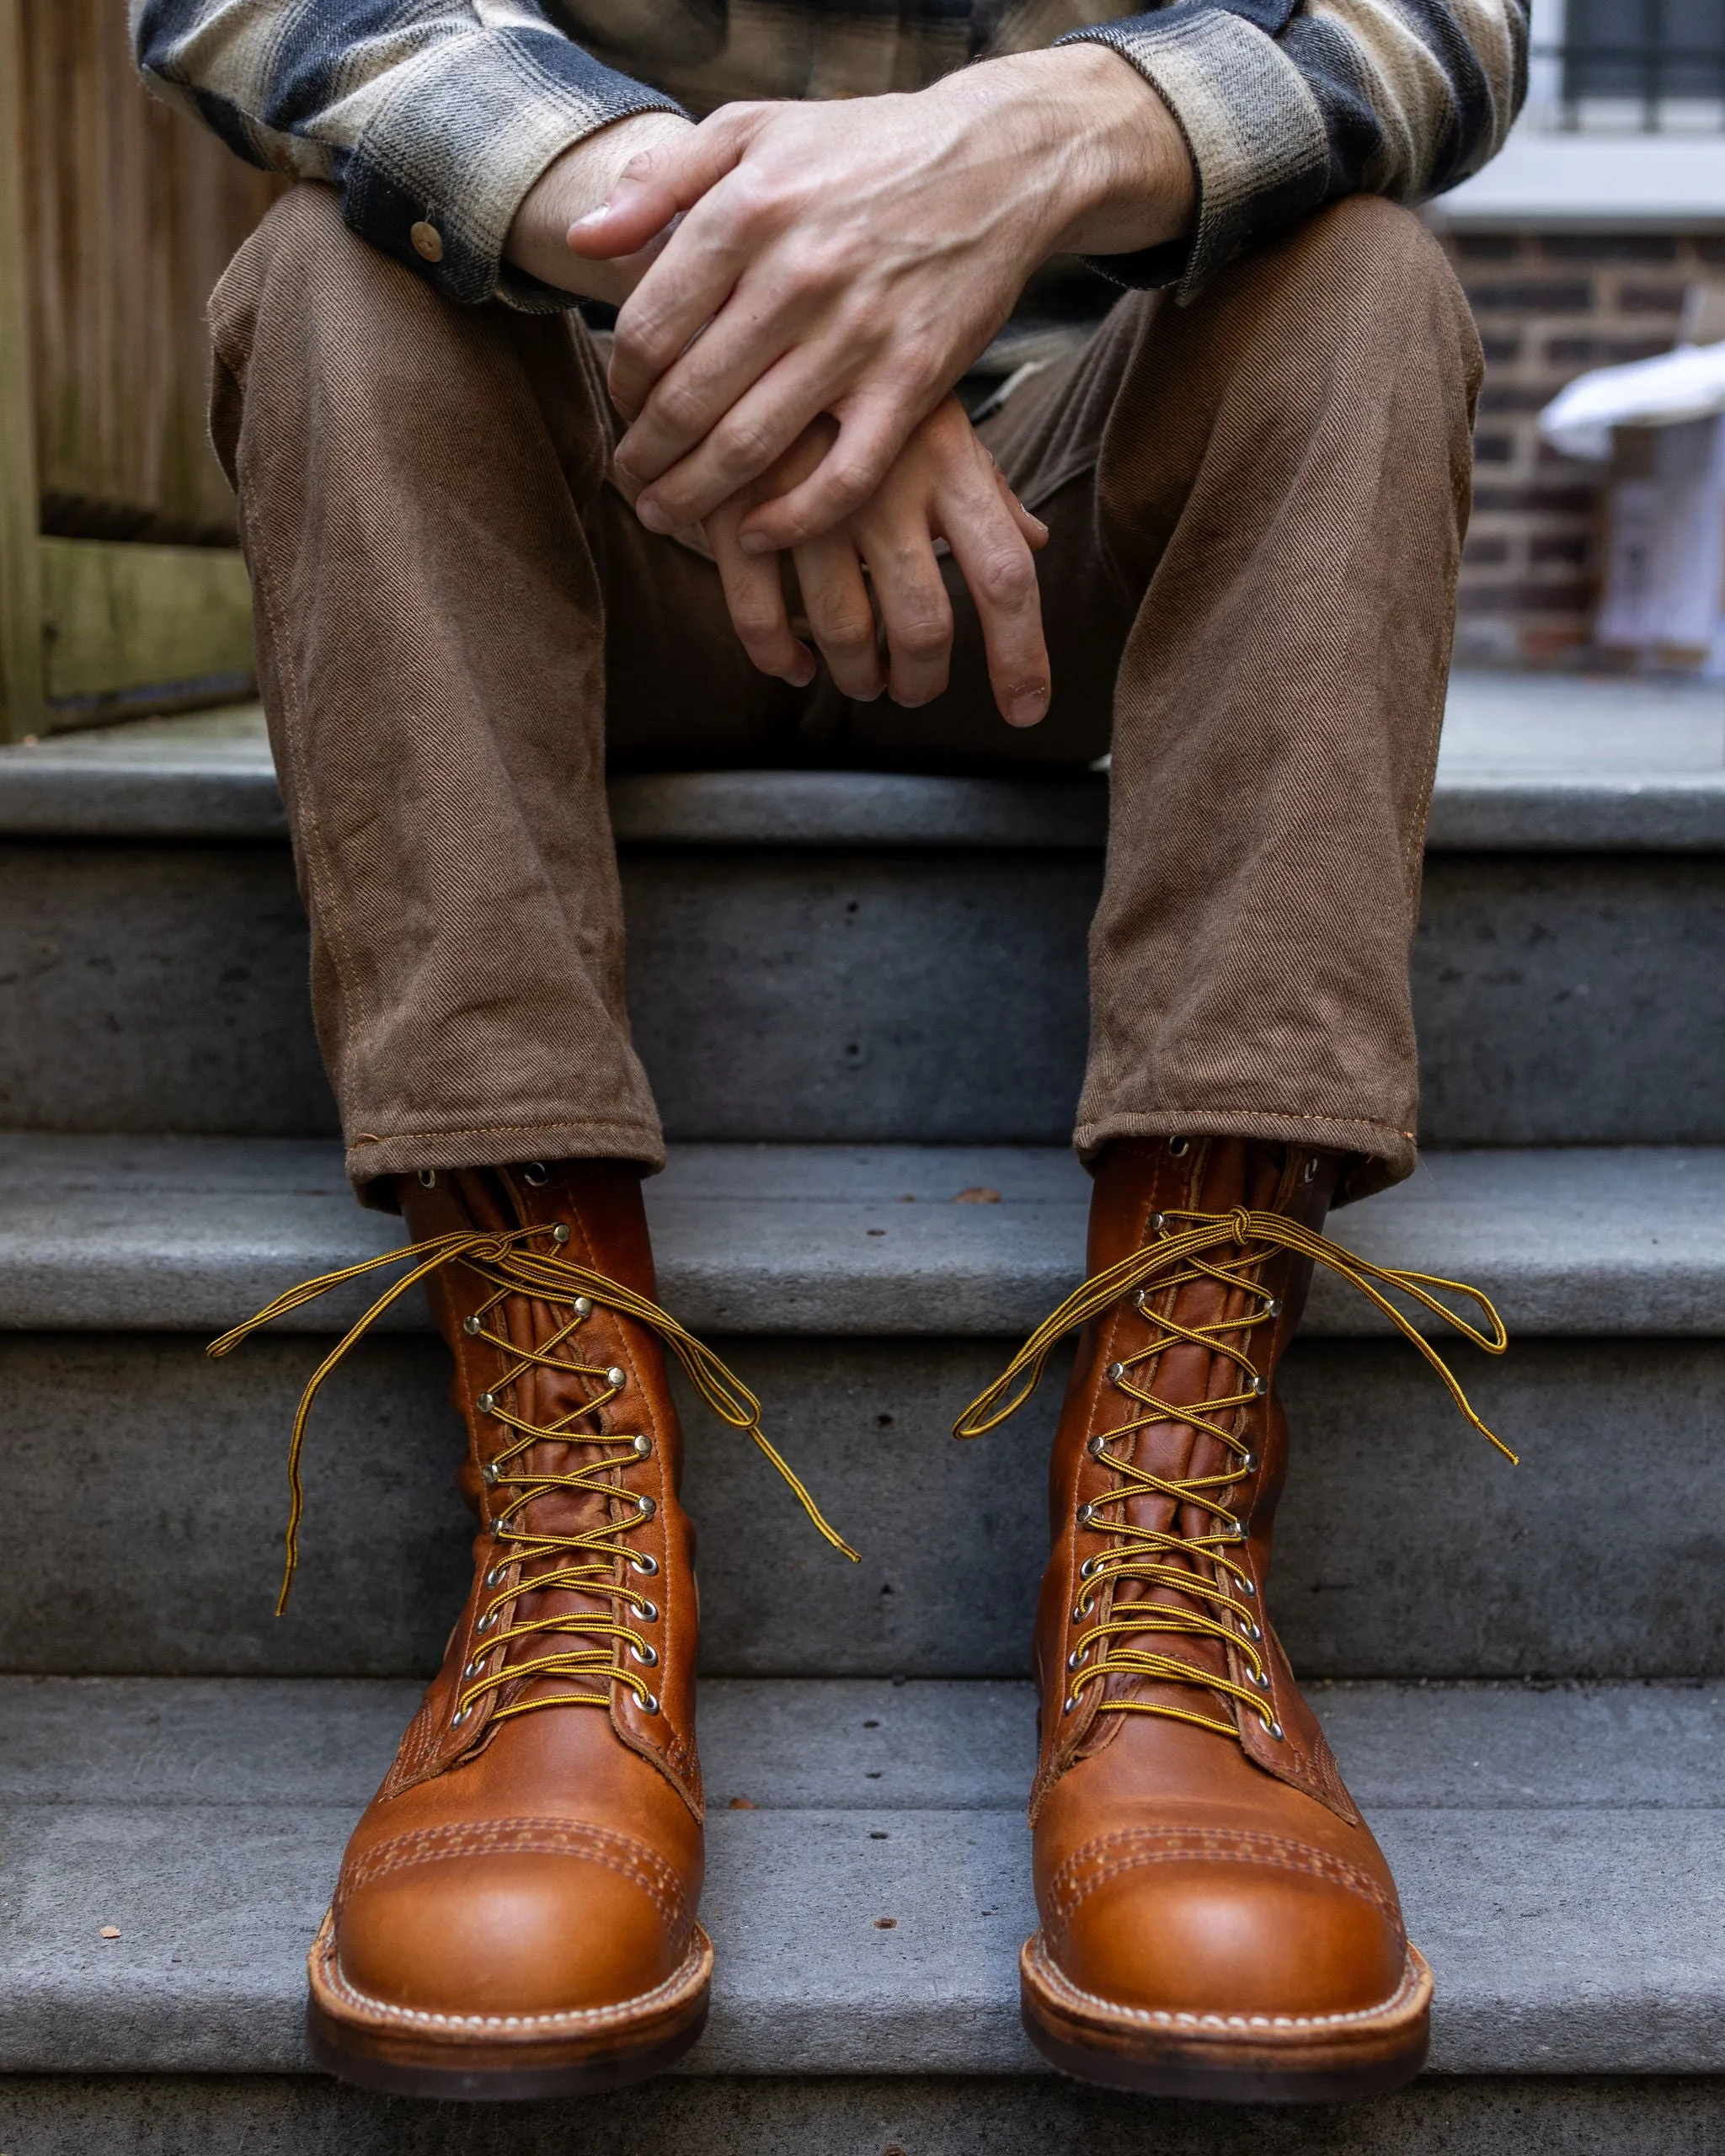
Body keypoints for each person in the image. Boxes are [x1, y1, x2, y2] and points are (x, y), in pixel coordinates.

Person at [135, 0, 1526, 2105]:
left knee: (1366, 287)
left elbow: (1448, 23)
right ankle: (568, 1511)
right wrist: (790, 318)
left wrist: (1038, 143)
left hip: (1045, 542)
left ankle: (1168, 1516)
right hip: (591, 490)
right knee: (330, 283)